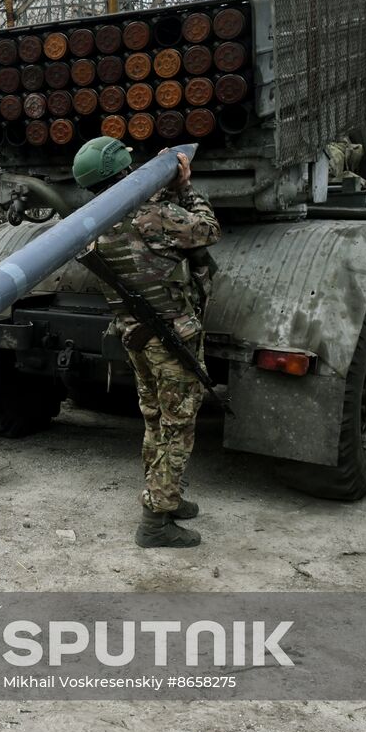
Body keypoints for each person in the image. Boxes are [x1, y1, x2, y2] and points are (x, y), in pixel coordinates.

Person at [73, 137, 221, 548]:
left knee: (155, 418)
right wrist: (186, 189)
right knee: (178, 425)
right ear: (124, 169)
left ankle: (164, 497)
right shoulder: (152, 215)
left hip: (137, 337)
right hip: (172, 336)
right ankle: (156, 521)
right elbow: (208, 230)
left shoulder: (93, 223)